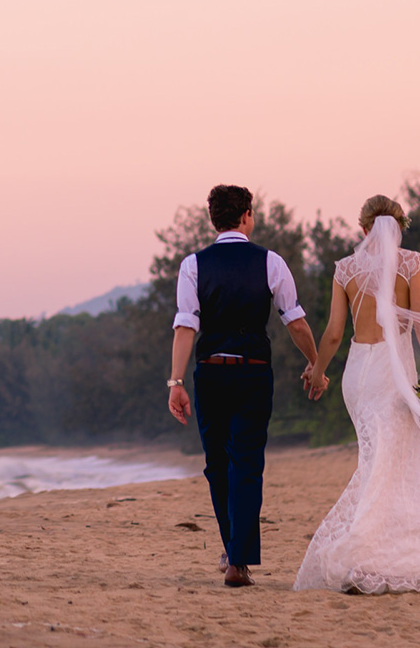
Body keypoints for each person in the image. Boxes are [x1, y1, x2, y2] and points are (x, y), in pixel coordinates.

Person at [293, 195, 420, 594]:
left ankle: (369, 554)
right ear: (399, 226)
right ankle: (360, 556)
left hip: (358, 374)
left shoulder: (345, 269)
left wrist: (317, 374)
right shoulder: (411, 263)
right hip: (392, 374)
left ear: (364, 229)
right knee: (386, 460)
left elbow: (335, 333)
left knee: (378, 459)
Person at [167, 184, 323, 588]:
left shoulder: (193, 265)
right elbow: (296, 321)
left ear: (212, 218)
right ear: (248, 214)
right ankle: (237, 560)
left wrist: (176, 382)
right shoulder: (271, 262)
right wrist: (315, 363)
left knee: (217, 465)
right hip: (254, 373)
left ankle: (235, 554)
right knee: (247, 465)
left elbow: (186, 325)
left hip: (211, 373)